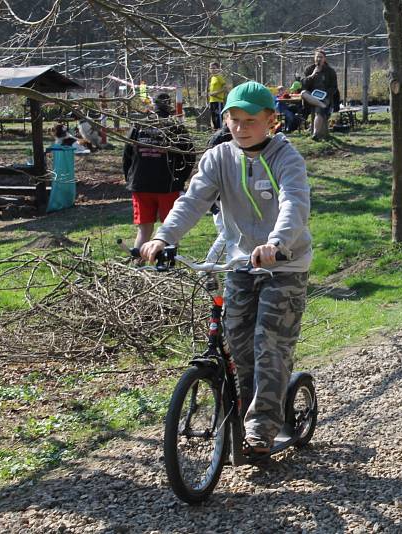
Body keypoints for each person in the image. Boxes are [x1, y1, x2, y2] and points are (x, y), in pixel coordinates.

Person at [140, 81, 312, 457]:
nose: (240, 127)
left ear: (272, 121)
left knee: (270, 345)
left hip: (283, 265)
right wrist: (164, 237)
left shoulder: (286, 157)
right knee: (238, 347)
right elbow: (192, 201)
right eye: (233, 119)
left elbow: (294, 203)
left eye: (250, 120)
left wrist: (277, 243)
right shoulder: (218, 157)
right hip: (239, 264)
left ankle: (261, 429)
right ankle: (250, 414)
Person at [123, 93, 195, 249]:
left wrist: (129, 179)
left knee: (144, 230)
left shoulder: (138, 125)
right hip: (167, 185)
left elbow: (127, 155)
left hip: (141, 184)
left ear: (152, 105)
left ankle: (138, 265)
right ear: (169, 106)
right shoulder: (175, 127)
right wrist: (179, 179)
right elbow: (189, 155)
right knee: (170, 229)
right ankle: (170, 265)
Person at [302, 48, 338, 140]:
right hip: (312, 96)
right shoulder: (309, 69)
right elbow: (304, 85)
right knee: (303, 93)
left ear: (324, 59)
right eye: (317, 57)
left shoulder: (330, 71)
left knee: (319, 111)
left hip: (324, 96)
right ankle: (321, 105)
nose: (318, 59)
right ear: (314, 58)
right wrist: (312, 75)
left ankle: (315, 134)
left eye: (321, 57)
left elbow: (334, 87)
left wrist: (325, 94)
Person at [207, 61, 229, 130]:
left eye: (214, 68)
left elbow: (225, 88)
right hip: (212, 101)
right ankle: (216, 132)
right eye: (211, 68)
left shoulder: (219, 77)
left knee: (218, 118)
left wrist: (216, 93)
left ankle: (220, 132)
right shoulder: (212, 78)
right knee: (213, 118)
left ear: (218, 69)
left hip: (218, 100)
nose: (212, 69)